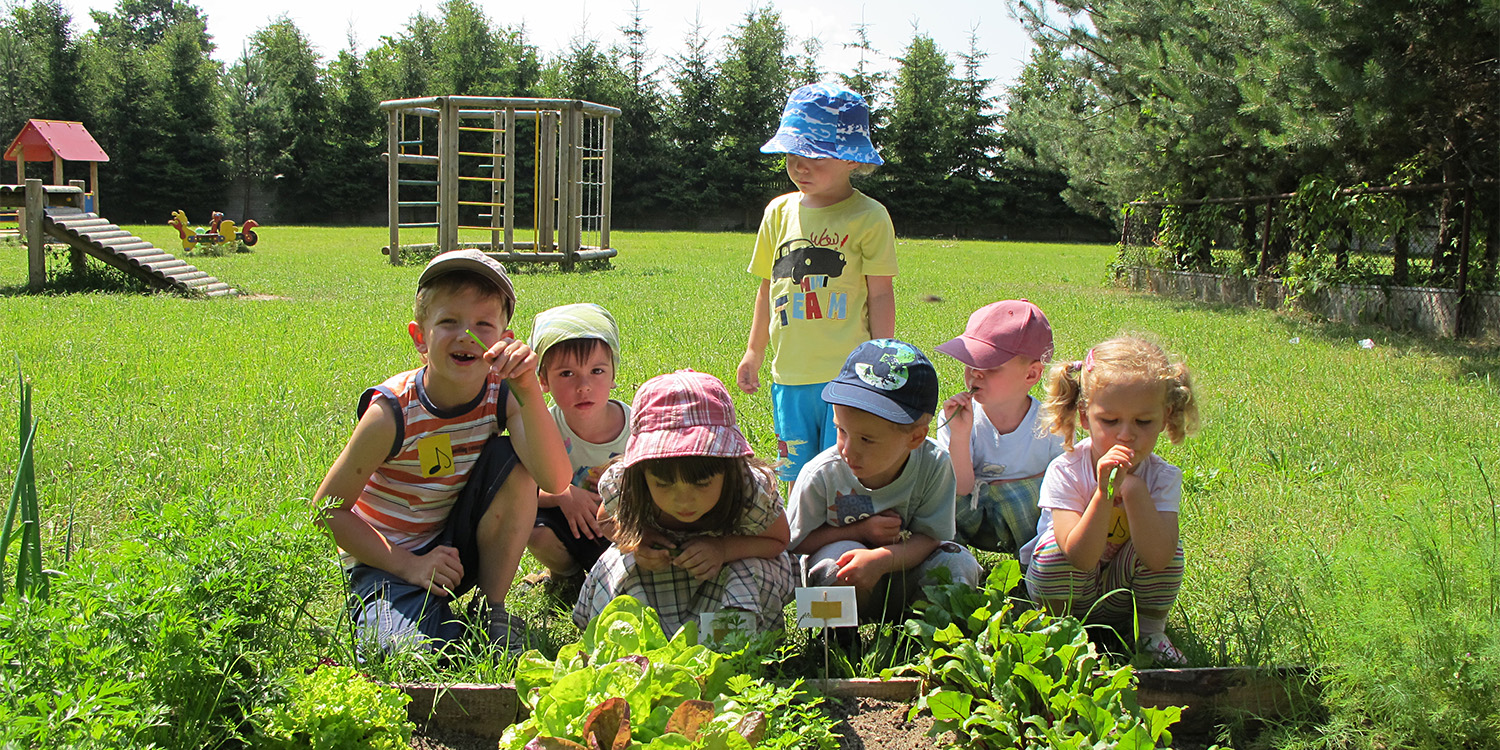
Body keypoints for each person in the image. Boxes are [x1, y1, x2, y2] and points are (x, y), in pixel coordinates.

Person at [313, 249, 572, 656]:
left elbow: (554, 479)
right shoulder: (392, 412)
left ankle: (491, 611)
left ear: (504, 340)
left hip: (453, 551)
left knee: (515, 462)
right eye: (449, 321)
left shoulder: (501, 393)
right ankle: (427, 621)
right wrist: (409, 566)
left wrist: (527, 391)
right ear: (420, 337)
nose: (465, 335)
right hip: (387, 563)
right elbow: (327, 510)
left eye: (483, 324)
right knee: (405, 654)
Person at [736, 81, 897, 484]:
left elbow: (880, 294)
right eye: (794, 154)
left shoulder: (870, 216)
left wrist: (882, 359)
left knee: (845, 470)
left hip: (847, 374)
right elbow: (766, 288)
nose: (801, 166)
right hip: (789, 374)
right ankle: (802, 538)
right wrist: (754, 351)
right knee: (798, 474)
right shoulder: (778, 212)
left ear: (851, 160)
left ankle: (841, 537)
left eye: (817, 155)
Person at [573, 370, 797, 636]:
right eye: (663, 484)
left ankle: (734, 650)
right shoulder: (628, 486)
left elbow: (778, 540)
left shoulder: (748, 489)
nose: (683, 499)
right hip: (660, 578)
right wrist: (638, 541)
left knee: (753, 570)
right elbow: (606, 519)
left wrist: (722, 550)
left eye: (702, 484)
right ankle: (633, 645)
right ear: (642, 474)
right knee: (618, 561)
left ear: (728, 469)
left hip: (724, 576)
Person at [1022, 336, 1200, 665]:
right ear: (1085, 417)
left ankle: (1149, 634)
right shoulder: (1067, 470)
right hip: (1068, 592)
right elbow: (1079, 557)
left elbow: (1159, 559)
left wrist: (1133, 491)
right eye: (1110, 421)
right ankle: (1058, 633)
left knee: (1171, 546)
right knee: (1051, 550)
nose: (1126, 435)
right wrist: (1104, 494)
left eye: (1143, 422)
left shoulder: (1162, 477)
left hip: (1122, 597)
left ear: (1165, 417)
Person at [787, 339, 981, 621]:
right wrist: (858, 533)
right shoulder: (821, 474)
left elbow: (931, 536)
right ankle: (836, 647)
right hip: (847, 580)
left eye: (867, 439)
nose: (847, 450)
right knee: (836, 562)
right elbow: (797, 543)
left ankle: (934, 641)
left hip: (907, 579)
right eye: (841, 431)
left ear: (915, 437)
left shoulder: (935, 464)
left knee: (957, 561)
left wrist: (883, 560)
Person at [934, 300, 1065, 561]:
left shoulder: (1052, 424)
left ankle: (1035, 566)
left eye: (990, 367)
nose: (975, 374)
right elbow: (960, 489)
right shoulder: (957, 418)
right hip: (971, 518)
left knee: (1033, 494)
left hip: (1029, 524)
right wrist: (959, 436)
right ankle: (949, 561)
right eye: (970, 363)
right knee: (934, 487)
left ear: (1031, 375)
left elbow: (1062, 492)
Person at [524, 303, 628, 599]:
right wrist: (564, 495)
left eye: (596, 371)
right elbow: (523, 488)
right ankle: (567, 576)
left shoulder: (636, 426)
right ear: (543, 380)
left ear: (613, 373)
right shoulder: (544, 427)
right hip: (570, 524)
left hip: (623, 531)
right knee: (534, 529)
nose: (584, 385)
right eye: (567, 373)